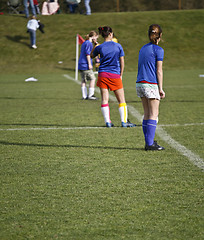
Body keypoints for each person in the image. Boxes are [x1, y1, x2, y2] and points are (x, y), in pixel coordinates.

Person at [91, 26, 136, 128]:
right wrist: (121, 75)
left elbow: (91, 55)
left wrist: (95, 45)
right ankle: (124, 122)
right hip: (114, 75)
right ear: (110, 34)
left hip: (102, 75)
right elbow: (122, 62)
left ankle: (108, 122)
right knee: (122, 100)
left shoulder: (99, 47)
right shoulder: (118, 46)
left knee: (104, 99)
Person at [136, 24, 165, 151]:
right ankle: (149, 144)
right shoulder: (159, 50)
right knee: (154, 114)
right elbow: (159, 71)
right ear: (160, 35)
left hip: (140, 83)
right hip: (151, 84)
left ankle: (149, 141)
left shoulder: (142, 48)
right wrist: (161, 88)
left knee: (147, 113)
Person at [78, 31, 98, 100]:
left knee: (84, 80)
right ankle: (91, 95)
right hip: (85, 64)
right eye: (96, 37)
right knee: (93, 79)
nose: (96, 39)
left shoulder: (85, 42)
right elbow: (88, 54)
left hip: (81, 64)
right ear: (93, 36)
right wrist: (89, 64)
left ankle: (84, 96)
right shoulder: (89, 43)